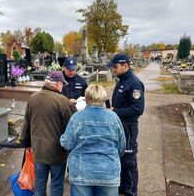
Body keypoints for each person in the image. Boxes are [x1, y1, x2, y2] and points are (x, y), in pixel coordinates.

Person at [60, 84, 126, 196]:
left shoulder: (77, 118)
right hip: (108, 171)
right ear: (103, 99)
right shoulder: (114, 118)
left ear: (86, 99)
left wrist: (62, 138)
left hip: (81, 171)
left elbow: (67, 143)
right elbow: (121, 147)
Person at [21, 71, 77, 196]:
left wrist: (25, 142)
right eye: (62, 83)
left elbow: (27, 122)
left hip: (38, 150)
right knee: (56, 185)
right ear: (58, 83)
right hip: (57, 153)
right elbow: (72, 126)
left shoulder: (33, 98)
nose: (63, 86)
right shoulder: (63, 101)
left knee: (40, 184)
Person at [107, 54, 145, 196]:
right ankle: (122, 188)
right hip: (119, 126)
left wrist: (115, 111)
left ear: (125, 66)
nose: (113, 69)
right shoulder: (122, 80)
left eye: (115, 67)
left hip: (128, 128)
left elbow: (138, 109)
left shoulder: (134, 83)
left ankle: (130, 192)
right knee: (120, 159)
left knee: (128, 162)